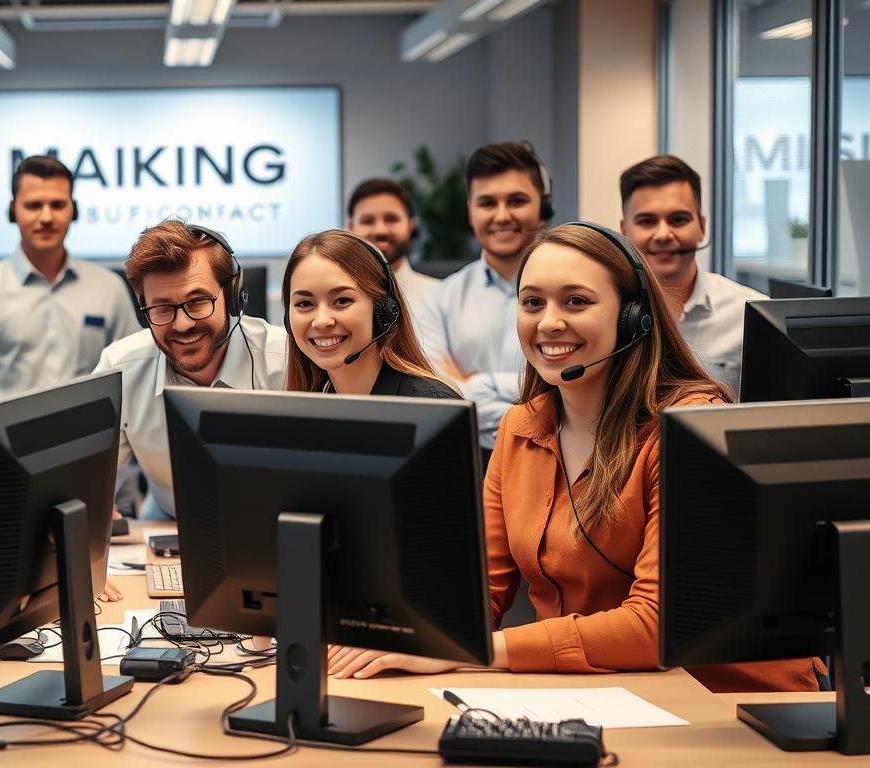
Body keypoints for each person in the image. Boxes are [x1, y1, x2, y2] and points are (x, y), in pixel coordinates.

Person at [325, 222, 821, 693]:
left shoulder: (690, 429)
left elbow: (657, 623)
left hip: (725, 702)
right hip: (596, 690)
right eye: (532, 302)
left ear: (633, 317)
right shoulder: (522, 427)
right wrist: (395, 636)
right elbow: (480, 589)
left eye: (577, 301)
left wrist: (469, 648)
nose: (549, 322)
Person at [0, 155, 139, 497]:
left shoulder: (109, 289)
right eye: (33, 205)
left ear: (73, 210)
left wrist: (122, 481)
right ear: (12, 210)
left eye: (57, 204)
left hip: (93, 476)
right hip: (4, 478)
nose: (46, 217)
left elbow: (135, 384)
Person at [93, 220, 287, 520]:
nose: (182, 325)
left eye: (197, 302)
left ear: (233, 295)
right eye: (162, 309)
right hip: (169, 526)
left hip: (275, 531)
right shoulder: (120, 369)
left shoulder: (285, 360)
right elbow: (86, 480)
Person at [416, 141, 552, 457]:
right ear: (470, 210)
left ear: (542, 208)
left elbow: (580, 385)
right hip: (468, 459)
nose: (502, 215)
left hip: (563, 460)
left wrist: (475, 384)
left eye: (517, 201)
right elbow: (440, 401)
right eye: (487, 202)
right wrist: (543, 405)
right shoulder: (437, 299)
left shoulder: (575, 294)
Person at [619, 155, 765, 397]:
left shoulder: (752, 313)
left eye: (679, 220)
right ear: (625, 231)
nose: (663, 234)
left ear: (702, 226)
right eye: (647, 221)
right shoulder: (604, 311)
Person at [282, 229, 459, 400]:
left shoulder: (432, 406)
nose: (321, 321)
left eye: (342, 301)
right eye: (304, 304)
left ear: (384, 310)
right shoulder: (310, 406)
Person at [345, 177, 437, 324]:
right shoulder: (334, 300)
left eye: (391, 219)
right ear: (350, 227)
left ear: (411, 225)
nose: (380, 230)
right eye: (367, 221)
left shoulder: (440, 298)